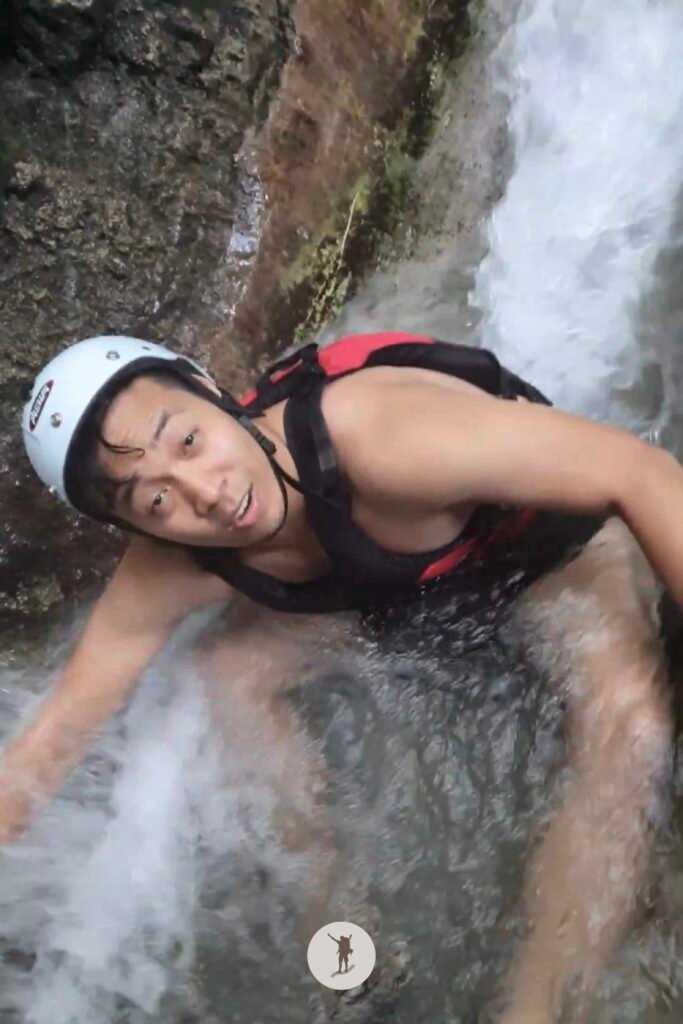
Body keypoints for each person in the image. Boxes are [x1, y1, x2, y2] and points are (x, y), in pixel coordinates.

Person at [5, 329, 678, 1023]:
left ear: (209, 390)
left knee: (630, 727)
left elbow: (639, 473)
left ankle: (533, 1011)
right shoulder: (171, 563)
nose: (205, 494)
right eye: (154, 501)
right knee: (227, 677)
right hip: (395, 594)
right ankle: (346, 951)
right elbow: (51, 737)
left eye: (189, 441)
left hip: (541, 556)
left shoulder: (386, 438)